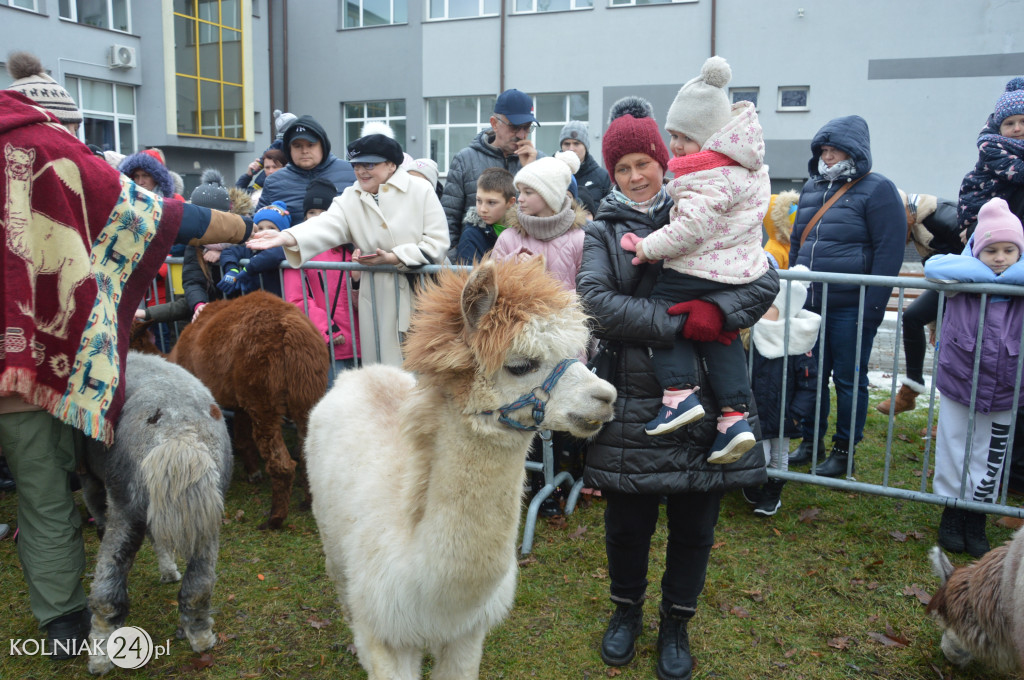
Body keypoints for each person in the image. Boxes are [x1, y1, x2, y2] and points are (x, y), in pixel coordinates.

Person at [0, 85, 251, 659]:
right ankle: (64, 621)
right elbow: (147, 215)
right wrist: (238, 227)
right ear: (62, 120)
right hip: (24, 365)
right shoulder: (50, 149)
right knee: (43, 495)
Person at [577, 94, 777, 680]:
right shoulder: (603, 232)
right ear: (611, 174)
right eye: (623, 168)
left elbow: (761, 279)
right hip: (635, 404)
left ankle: (676, 623)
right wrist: (679, 322)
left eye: (645, 162)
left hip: (712, 403)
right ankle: (626, 614)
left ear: (666, 160)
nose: (636, 176)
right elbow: (596, 303)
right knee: (626, 525)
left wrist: (717, 314)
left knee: (695, 526)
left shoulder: (711, 201)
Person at [620, 57, 769, 464]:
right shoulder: (744, 167)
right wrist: (721, 311)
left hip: (698, 268)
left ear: (708, 136)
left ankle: (678, 394)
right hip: (734, 274)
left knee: (661, 310)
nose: (677, 147)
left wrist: (647, 247)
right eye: (672, 136)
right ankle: (735, 418)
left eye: (684, 137)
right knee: (721, 337)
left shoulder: (707, 173)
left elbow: (691, 229)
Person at [246, 134, 449, 366]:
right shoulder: (351, 197)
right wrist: (285, 236)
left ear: (392, 164)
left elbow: (437, 243)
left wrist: (395, 258)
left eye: (369, 164)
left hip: (422, 295)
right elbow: (323, 225)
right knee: (382, 372)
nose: (361, 171)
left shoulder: (420, 189)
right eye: (356, 165)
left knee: (422, 371)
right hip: (376, 297)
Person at [787, 115, 905, 477]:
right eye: (823, 149)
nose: (827, 156)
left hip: (851, 306)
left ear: (853, 150)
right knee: (811, 377)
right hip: (810, 304)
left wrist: (872, 306)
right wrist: (794, 291)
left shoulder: (878, 188)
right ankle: (811, 442)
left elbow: (889, 251)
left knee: (849, 380)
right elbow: (796, 243)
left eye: (834, 149)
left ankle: (844, 451)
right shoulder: (811, 188)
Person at [925, 197, 1024, 557]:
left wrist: (1008, 277)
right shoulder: (959, 279)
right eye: (991, 250)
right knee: (954, 446)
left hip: (1007, 387)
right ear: (975, 252)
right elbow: (935, 268)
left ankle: (978, 514)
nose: (999, 258)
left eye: (1009, 250)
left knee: (990, 453)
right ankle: (953, 512)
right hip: (960, 381)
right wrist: (991, 274)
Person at [874, 191, 962, 417]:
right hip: (956, 287)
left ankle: (950, 419)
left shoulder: (943, 217)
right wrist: (935, 323)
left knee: (959, 350)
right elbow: (939, 278)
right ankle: (911, 390)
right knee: (913, 318)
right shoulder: (918, 225)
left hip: (974, 289)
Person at [742, 267, 820, 516]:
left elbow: (809, 384)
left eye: (770, 306)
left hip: (784, 413)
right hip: (755, 411)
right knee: (758, 455)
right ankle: (752, 483)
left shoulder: (798, 343)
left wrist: (796, 414)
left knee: (779, 456)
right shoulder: (749, 337)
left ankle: (773, 494)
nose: (762, 311)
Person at [441, 88, 543, 252]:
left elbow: (546, 217)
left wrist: (530, 171)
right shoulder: (465, 160)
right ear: (494, 123)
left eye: (527, 127)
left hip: (523, 264)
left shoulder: (538, 161)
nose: (522, 135)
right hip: (473, 263)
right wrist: (456, 265)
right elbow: (448, 220)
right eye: (515, 127)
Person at [282, 178, 359, 386]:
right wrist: (327, 329)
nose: (316, 219)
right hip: (330, 344)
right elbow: (297, 298)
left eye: (324, 214)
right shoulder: (299, 253)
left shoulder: (352, 249)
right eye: (311, 213)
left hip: (364, 346)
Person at [492, 150, 586, 290]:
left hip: (566, 311)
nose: (520, 198)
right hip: (518, 312)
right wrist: (512, 263)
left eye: (528, 192)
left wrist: (556, 302)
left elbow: (589, 292)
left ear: (550, 197)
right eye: (520, 191)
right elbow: (490, 286)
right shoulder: (508, 238)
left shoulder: (579, 239)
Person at [257, 114, 356, 225]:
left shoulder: (352, 173)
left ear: (323, 145)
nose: (304, 151)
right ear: (289, 149)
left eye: (311, 145)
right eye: (297, 146)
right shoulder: (273, 182)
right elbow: (258, 226)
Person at [957, 77, 1024, 241]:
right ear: (999, 129)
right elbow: (1019, 173)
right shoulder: (992, 147)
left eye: (1023, 121)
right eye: (1009, 123)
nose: (1017, 128)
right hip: (980, 212)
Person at [219, 201, 292, 297]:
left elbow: (273, 255)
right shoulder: (251, 248)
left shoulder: (285, 249)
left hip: (280, 303)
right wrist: (232, 270)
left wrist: (248, 269)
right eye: (260, 228)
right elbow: (228, 252)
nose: (265, 232)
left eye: (271, 228)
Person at [452, 167, 516, 264]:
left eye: (491, 202)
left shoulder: (523, 231)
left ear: (510, 202)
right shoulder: (471, 235)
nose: (482, 209)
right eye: (479, 200)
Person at [559, 120, 611, 202]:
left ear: (585, 147)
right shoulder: (550, 173)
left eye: (576, 143)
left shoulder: (602, 177)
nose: (571, 149)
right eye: (567, 144)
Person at [762, 191, 799, 270]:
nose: (797, 225)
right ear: (780, 224)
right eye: (792, 220)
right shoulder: (773, 252)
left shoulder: (794, 244)